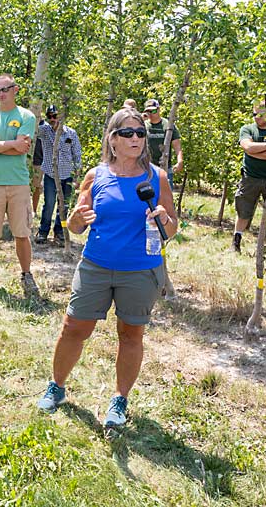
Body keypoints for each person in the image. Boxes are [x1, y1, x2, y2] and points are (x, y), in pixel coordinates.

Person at [36, 107, 177, 427]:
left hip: (141, 269)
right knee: (74, 327)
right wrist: (74, 220)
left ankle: (119, 400)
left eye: (140, 133)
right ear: (112, 140)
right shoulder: (95, 176)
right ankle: (56, 387)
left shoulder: (157, 178)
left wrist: (165, 219)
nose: (136, 138)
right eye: (127, 133)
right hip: (96, 266)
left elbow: (172, 228)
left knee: (131, 334)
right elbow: (75, 225)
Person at [0, 74, 39, 297]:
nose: (1, 94)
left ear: (16, 90)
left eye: (5, 89)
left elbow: (22, 148)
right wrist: (11, 143)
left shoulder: (26, 116)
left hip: (18, 184)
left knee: (22, 233)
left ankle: (26, 275)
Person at [232, 103, 266, 254]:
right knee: (243, 212)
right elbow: (248, 148)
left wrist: (255, 151)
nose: (255, 117)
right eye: (254, 114)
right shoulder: (247, 129)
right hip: (250, 177)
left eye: (259, 114)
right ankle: (236, 242)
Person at [32, 105, 82, 246]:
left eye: (55, 116)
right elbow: (33, 127)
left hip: (67, 176)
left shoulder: (71, 133)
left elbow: (77, 154)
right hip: (50, 175)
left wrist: (77, 176)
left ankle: (59, 232)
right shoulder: (43, 131)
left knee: (63, 206)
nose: (53, 119)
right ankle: (43, 231)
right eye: (50, 116)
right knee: (48, 204)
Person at [142, 99, 183, 188]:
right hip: (146, 167)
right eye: (148, 111)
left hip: (165, 167)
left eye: (153, 110)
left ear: (159, 109)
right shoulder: (143, 125)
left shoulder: (168, 125)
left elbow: (177, 145)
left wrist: (180, 161)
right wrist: (140, 121)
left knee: (166, 196)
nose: (151, 114)